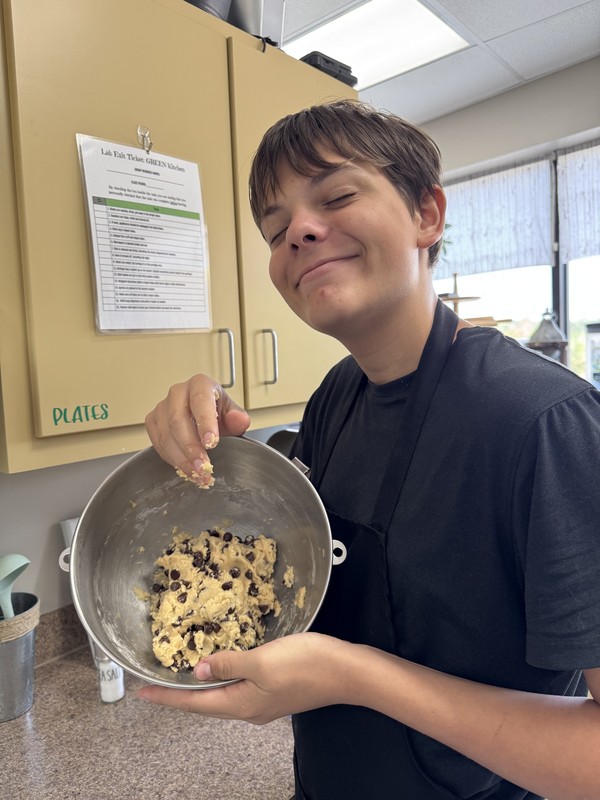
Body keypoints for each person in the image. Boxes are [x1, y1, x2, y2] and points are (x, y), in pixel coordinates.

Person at [140, 99, 600, 800]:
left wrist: (354, 676)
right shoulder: (337, 396)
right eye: (274, 228)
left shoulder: (544, 424)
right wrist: (210, 435)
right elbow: (285, 568)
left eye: (336, 195)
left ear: (427, 215)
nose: (297, 231)